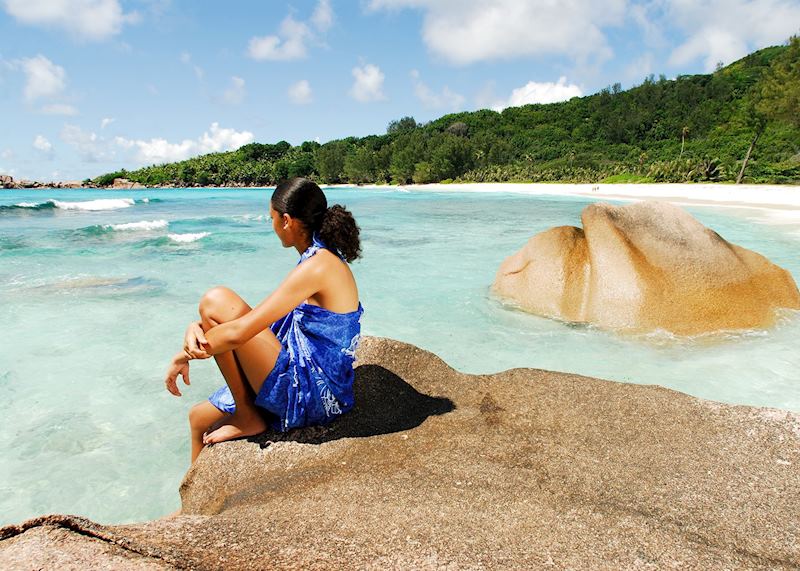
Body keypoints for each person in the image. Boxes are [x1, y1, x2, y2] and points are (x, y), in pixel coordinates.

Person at [163, 178, 363, 463]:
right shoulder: (318, 257)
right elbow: (259, 319)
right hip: (302, 369)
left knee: (215, 299)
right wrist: (198, 327)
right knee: (198, 419)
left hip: (313, 393)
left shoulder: (318, 266)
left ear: (286, 221)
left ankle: (246, 414)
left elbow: (240, 332)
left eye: (270, 218)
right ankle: (191, 507)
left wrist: (183, 355)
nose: (270, 226)